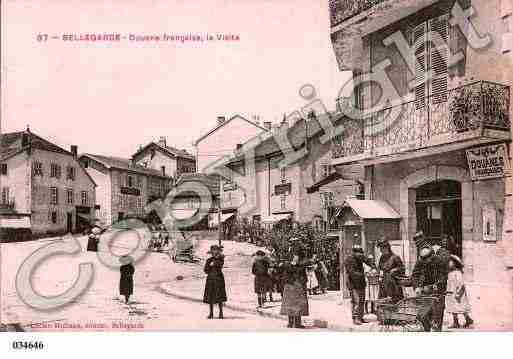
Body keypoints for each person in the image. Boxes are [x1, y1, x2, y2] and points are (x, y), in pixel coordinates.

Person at [411, 231, 449, 332]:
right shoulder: (422, 257)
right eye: (417, 244)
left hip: (437, 293)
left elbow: (443, 275)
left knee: (436, 319)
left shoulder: (440, 257)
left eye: (420, 243)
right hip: (424, 292)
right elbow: (415, 274)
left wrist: (436, 285)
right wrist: (417, 287)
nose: (425, 263)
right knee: (422, 317)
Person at [280, 238, 309, 329]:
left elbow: (285, 265)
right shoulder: (296, 259)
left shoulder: (288, 258)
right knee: (297, 303)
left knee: (291, 302)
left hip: (291, 282)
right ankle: (295, 323)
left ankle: (292, 322)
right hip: (296, 282)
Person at [344, 244, 375, 325]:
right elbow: (352, 273)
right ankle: (355, 318)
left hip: (361, 283)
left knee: (362, 301)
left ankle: (360, 317)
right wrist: (364, 274)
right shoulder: (349, 259)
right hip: (353, 284)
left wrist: (372, 265)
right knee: (356, 301)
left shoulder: (360, 258)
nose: (361, 255)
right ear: (354, 252)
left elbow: (368, 261)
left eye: (361, 253)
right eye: (359, 253)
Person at [446, 255, 474, 329]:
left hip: (457, 293)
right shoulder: (449, 273)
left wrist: (458, 292)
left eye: (450, 262)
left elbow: (461, 283)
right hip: (450, 293)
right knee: (452, 308)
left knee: (461, 308)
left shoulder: (457, 273)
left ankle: (469, 320)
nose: (448, 264)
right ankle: (455, 322)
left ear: (455, 263)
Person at [376, 237, 405, 303]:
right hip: (384, 284)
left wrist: (395, 270)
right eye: (380, 248)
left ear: (386, 247)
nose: (380, 250)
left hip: (393, 285)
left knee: (393, 303)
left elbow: (402, 268)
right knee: (383, 303)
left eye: (381, 248)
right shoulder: (382, 258)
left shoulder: (395, 257)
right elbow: (379, 268)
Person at [203, 245, 227, 319]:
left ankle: (221, 313)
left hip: (219, 279)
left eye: (216, 250)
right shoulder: (209, 260)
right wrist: (210, 266)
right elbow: (205, 270)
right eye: (213, 250)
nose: (214, 252)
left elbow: (220, 265)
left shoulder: (220, 259)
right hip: (210, 279)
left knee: (219, 296)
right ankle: (211, 313)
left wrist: (215, 262)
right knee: (210, 296)